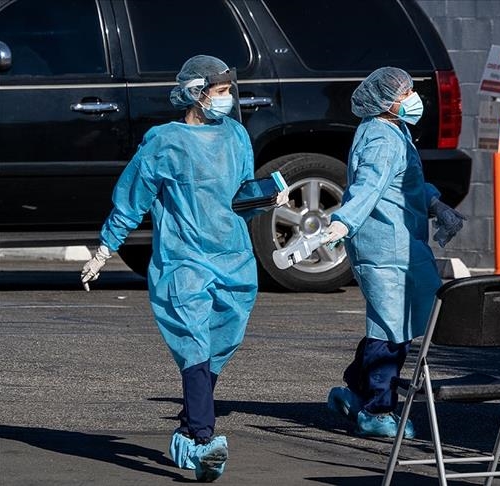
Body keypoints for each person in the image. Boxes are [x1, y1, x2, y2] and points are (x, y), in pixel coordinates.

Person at [79, 55, 287, 482]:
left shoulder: (236, 135)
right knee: (193, 344)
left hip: (234, 258)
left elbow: (240, 199)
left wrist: (266, 198)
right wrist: (104, 249)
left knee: (220, 344)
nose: (228, 99)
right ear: (196, 92)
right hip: (184, 260)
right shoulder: (165, 142)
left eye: (229, 91)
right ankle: (205, 440)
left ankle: (189, 431)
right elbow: (132, 198)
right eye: (221, 91)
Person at [322, 66, 465, 438]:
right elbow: (368, 187)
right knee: (390, 328)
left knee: (398, 323)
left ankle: (356, 390)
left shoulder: (395, 130)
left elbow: (407, 182)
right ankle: (377, 409)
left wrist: (436, 204)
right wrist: (343, 222)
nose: (413, 99)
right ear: (385, 100)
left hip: (401, 243)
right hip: (382, 245)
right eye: (404, 94)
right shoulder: (381, 138)